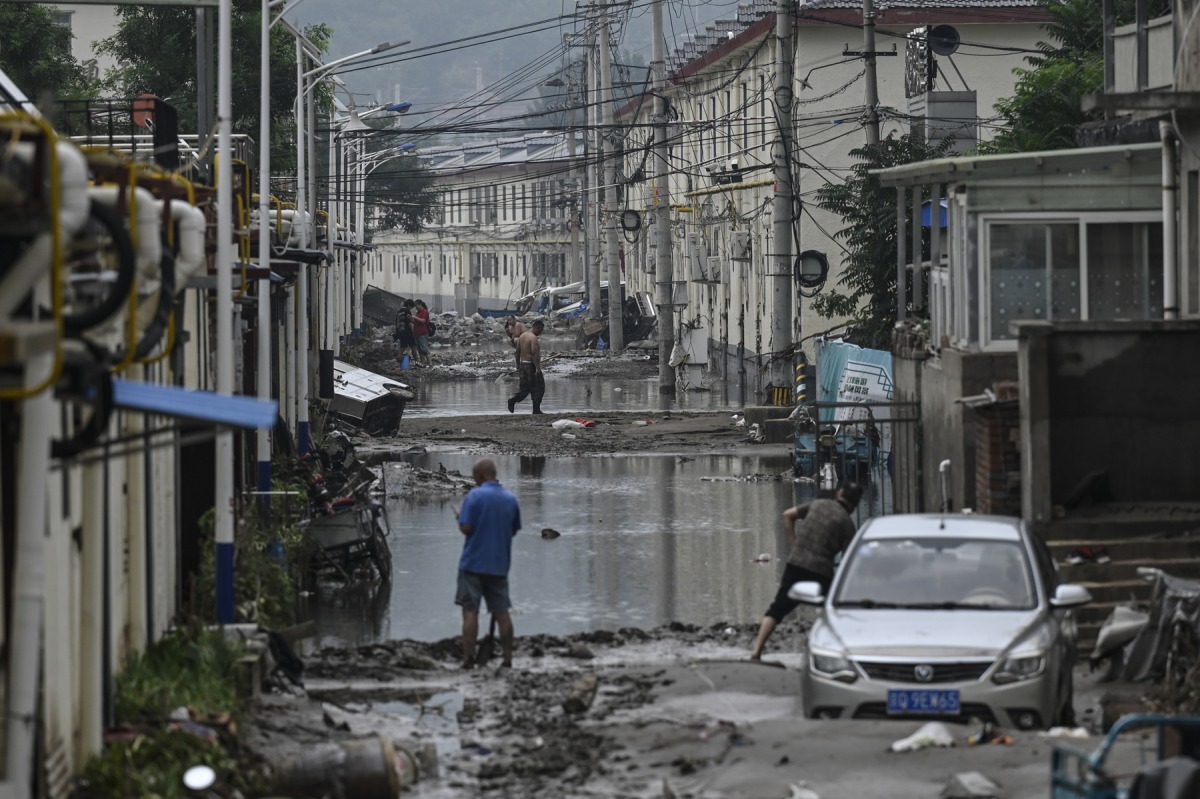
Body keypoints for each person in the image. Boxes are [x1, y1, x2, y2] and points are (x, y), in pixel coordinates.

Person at [749, 481, 863, 661]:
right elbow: (846, 560)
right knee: (832, 610)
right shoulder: (847, 524)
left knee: (777, 609)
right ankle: (833, 654)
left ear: (839, 494)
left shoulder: (817, 504)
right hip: (821, 570)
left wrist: (794, 544)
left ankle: (756, 652)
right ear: (855, 505)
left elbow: (787, 515)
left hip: (797, 562)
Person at [454, 458, 521, 669]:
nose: (474, 482)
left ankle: (468, 659)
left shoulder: (474, 496)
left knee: (470, 611)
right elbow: (513, 530)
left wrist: (459, 519)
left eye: (475, 478)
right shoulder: (510, 498)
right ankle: (508, 658)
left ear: (482, 476)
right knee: (502, 613)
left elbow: (466, 528)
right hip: (499, 565)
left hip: (472, 564)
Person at [507, 320, 544, 414]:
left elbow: (517, 352)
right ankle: (536, 410)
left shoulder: (522, 336)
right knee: (538, 387)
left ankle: (513, 400)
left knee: (525, 389)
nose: (540, 333)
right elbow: (534, 353)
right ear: (537, 327)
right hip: (531, 366)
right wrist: (537, 368)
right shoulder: (533, 338)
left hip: (523, 365)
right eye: (541, 330)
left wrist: (518, 365)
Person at [394, 299, 418, 368]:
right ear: (408, 305)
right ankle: (417, 362)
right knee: (413, 346)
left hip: (400, 332)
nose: (411, 309)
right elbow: (410, 323)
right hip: (407, 332)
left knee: (402, 347)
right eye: (411, 307)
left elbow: (396, 323)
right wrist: (414, 332)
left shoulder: (399, 311)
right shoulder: (407, 311)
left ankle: (397, 363)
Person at [412, 299, 432, 367]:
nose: (416, 307)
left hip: (423, 333)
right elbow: (415, 322)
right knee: (420, 350)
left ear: (420, 304)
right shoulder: (418, 313)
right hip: (416, 334)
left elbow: (423, 321)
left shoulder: (425, 312)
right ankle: (423, 364)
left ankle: (430, 364)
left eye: (416, 305)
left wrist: (414, 317)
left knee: (424, 349)